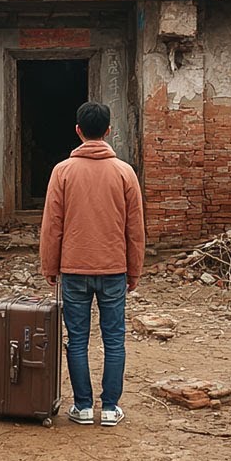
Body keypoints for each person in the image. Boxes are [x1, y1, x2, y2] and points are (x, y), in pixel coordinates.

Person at [40, 102, 145, 427]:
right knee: (114, 340)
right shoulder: (125, 172)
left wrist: (50, 266)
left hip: (74, 269)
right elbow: (135, 229)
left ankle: (83, 407)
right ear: (108, 130)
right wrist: (134, 269)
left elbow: (52, 225)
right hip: (114, 269)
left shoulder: (62, 172)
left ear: (78, 131)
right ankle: (110, 408)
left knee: (77, 339)